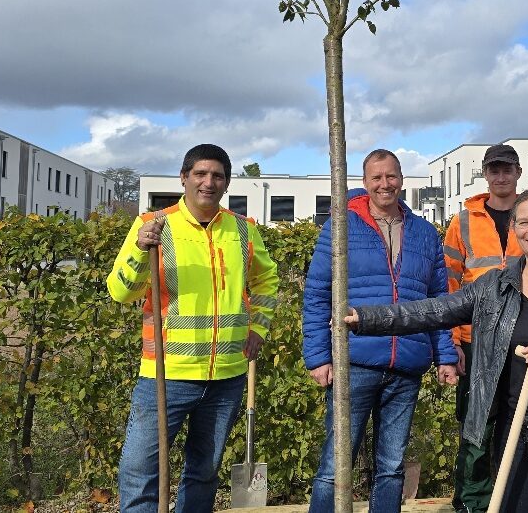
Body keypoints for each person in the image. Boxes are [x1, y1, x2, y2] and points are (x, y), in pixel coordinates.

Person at [346, 187, 528, 512]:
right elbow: (431, 311)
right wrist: (364, 318)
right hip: (517, 435)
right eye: (524, 223)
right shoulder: (493, 287)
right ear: (514, 229)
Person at [108, 144, 279, 513]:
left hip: (227, 377)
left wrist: (258, 330)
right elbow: (121, 292)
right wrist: (140, 250)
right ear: (184, 177)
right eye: (200, 174)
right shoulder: (153, 226)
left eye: (217, 175)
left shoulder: (243, 230)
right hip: (166, 374)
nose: (208, 182)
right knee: (140, 474)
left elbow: (267, 281)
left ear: (227, 182)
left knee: (203, 473)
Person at [302, 148, 460, 513]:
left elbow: (438, 302)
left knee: (390, 468)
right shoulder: (340, 226)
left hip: (406, 365)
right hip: (355, 361)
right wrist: (317, 357)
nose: (384, 184)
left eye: (391, 176)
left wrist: (446, 355)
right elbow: (317, 293)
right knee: (334, 466)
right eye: (377, 178)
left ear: (402, 179)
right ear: (364, 182)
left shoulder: (424, 233)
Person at [443, 143, 524, 513]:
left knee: (521, 423)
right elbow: (450, 286)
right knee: (476, 427)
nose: (501, 176)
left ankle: (514, 499)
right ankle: (472, 503)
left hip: (525, 341)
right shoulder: (462, 222)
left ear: (518, 172)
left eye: (507, 169)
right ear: (486, 174)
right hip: (477, 342)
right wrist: (455, 341)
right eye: (494, 170)